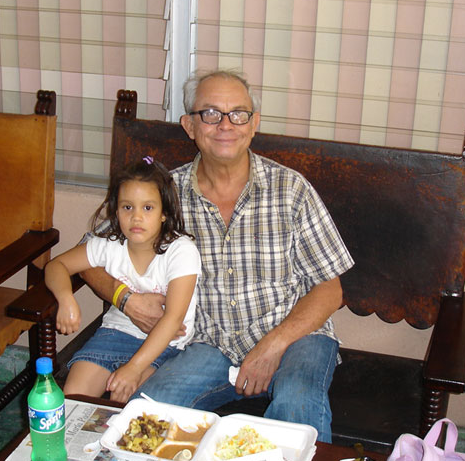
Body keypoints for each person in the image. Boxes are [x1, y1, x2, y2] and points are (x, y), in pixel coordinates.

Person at [80, 70, 353, 442]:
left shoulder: (291, 190)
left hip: (294, 336)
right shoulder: (164, 195)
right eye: (210, 114)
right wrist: (125, 299)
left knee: (297, 407)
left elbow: (330, 290)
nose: (226, 125)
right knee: (147, 417)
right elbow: (87, 256)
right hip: (210, 342)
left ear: (253, 124)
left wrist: (272, 345)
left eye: (238, 114)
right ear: (190, 126)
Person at [45, 157, 201, 402]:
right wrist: (66, 300)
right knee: (73, 401)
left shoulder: (181, 251)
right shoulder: (109, 245)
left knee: (126, 404)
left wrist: (134, 368)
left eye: (147, 208)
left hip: (165, 345)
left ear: (164, 213)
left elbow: (173, 320)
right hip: (114, 334)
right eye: (128, 207)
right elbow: (56, 266)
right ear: (116, 211)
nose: (136, 217)